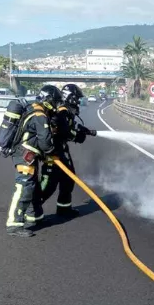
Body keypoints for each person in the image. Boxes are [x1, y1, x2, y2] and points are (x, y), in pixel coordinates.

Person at [5, 85, 60, 237]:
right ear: (48, 100)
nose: (56, 105)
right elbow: (44, 141)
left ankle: (35, 217)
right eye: (55, 102)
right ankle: (14, 224)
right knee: (24, 187)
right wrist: (51, 152)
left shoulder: (33, 108)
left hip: (28, 154)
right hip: (25, 155)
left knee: (33, 187)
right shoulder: (39, 115)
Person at [41, 84, 96, 218]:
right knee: (49, 184)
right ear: (70, 97)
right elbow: (64, 131)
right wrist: (78, 135)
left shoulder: (66, 111)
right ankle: (31, 209)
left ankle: (64, 209)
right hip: (54, 152)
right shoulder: (62, 110)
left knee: (68, 179)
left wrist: (83, 130)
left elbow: (68, 127)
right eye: (77, 98)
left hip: (62, 150)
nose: (78, 101)